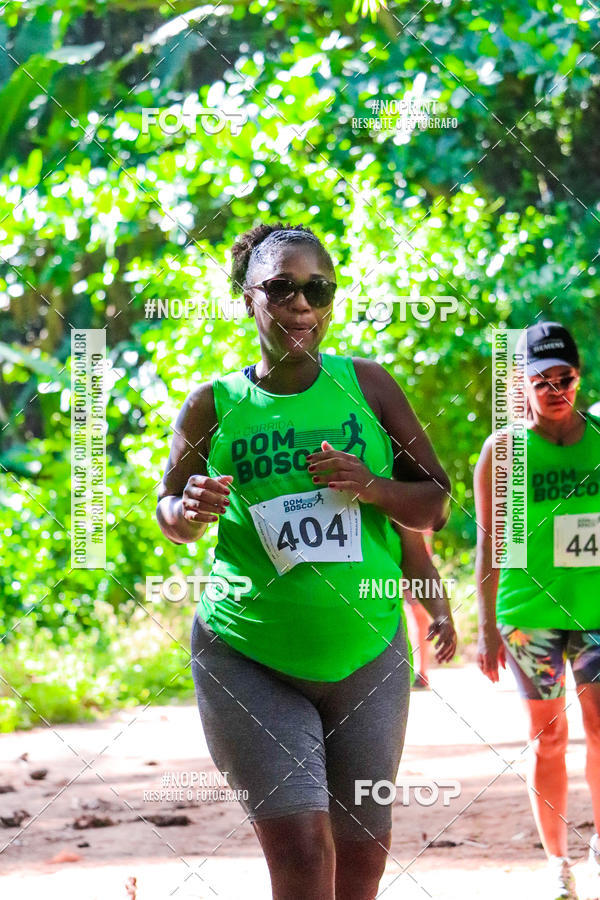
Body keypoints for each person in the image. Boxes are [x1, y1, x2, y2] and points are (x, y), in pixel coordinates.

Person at [157, 222, 451, 900]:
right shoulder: (214, 404)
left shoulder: (369, 388)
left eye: (316, 289)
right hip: (249, 656)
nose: (300, 306)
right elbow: (167, 511)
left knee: (364, 855)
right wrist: (188, 507)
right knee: (301, 852)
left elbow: (433, 504)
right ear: (248, 297)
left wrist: (373, 485)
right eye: (281, 288)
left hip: (366, 653)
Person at [474, 322, 600, 900]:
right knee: (548, 739)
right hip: (528, 615)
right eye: (540, 380)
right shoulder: (503, 452)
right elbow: (491, 543)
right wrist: (484, 629)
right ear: (521, 384)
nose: (554, 389)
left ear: (579, 377)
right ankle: (558, 862)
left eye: (564, 378)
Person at [394, 525, 457, 686]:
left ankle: (421, 671)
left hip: (416, 562)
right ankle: (407, 669)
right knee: (403, 615)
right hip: (390, 559)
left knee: (418, 616)